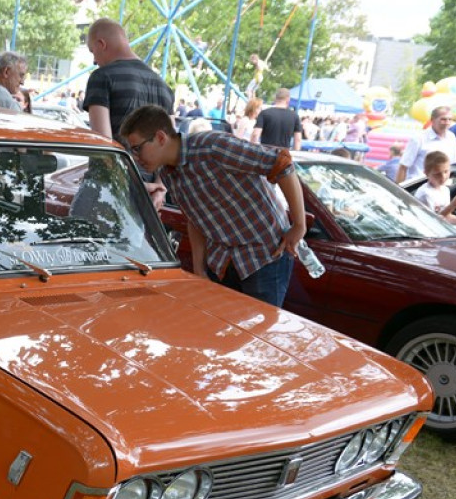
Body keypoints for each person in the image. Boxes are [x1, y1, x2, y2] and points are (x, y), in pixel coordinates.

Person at [121, 105, 306, 307]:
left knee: (258, 332)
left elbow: (282, 163)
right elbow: (195, 219)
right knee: (226, 331)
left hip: (265, 256)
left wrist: (299, 225)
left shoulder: (213, 147)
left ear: (160, 137)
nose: (135, 157)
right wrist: (199, 269)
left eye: (137, 148)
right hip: (224, 262)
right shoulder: (167, 172)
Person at [82, 18, 174, 145]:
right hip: (154, 165)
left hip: (118, 165)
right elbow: (169, 146)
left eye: (93, 51)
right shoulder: (164, 88)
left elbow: (103, 145)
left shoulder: (101, 77)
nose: (94, 61)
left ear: (101, 44)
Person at [397, 106, 456, 183]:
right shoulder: (419, 138)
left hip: (442, 187)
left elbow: (451, 165)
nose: (447, 122)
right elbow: (403, 166)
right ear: (432, 119)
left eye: (450, 119)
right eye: (443, 119)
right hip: (417, 186)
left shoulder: (451, 137)